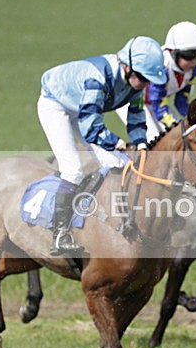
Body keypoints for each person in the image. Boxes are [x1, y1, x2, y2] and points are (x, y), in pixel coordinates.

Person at [37, 36, 167, 255]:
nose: (146, 84)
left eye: (150, 80)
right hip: (56, 105)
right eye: (144, 78)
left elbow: (136, 116)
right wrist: (119, 143)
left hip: (82, 108)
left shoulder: (135, 83)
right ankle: (60, 234)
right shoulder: (97, 79)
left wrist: (142, 144)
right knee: (73, 169)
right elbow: (90, 126)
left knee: (115, 163)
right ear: (127, 67)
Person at [117, 21, 196, 142]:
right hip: (131, 99)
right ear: (173, 52)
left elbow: (181, 100)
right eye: (189, 56)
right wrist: (175, 124)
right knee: (153, 138)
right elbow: (158, 104)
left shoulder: (192, 71)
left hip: (154, 103)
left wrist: (193, 120)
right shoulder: (161, 68)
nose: (194, 62)